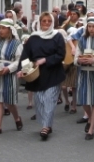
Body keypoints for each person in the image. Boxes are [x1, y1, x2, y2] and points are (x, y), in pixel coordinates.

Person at [17, 12, 66, 141]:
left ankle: (45, 127)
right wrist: (22, 70)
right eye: (43, 21)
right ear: (39, 22)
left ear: (52, 23)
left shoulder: (57, 36)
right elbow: (26, 55)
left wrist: (46, 60)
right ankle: (47, 124)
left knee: (49, 99)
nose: (46, 24)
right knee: (39, 101)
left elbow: (61, 54)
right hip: (37, 74)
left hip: (53, 72)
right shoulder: (33, 38)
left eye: (49, 21)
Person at [0, 19, 23, 135]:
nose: (1, 30)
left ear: (10, 30)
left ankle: (17, 118)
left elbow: (19, 60)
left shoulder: (17, 44)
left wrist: (9, 68)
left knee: (9, 101)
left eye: (3, 28)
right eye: (0, 28)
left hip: (9, 73)